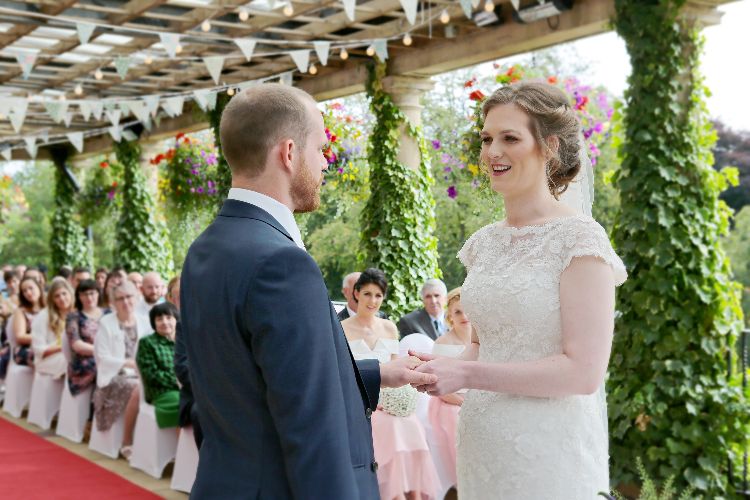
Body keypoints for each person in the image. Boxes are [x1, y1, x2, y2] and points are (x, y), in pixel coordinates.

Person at [180, 83, 435, 498]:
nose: (327, 162)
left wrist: (377, 374)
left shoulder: (205, 248)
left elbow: (246, 380)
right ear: (288, 153)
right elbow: (312, 427)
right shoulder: (282, 263)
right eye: (320, 148)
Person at [411, 82, 627, 498]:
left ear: (547, 147)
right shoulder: (484, 244)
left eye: (510, 138)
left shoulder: (580, 240)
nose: (492, 151)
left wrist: (466, 372)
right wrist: (435, 367)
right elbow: (482, 347)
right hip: (481, 446)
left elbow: (583, 373)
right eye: (487, 138)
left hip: (546, 453)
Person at [341, 269, 438, 500]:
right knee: (391, 429)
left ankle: (411, 493)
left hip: (392, 402)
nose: (372, 301)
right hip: (362, 402)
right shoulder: (342, 328)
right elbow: (344, 373)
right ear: (356, 294)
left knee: (411, 426)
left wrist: (399, 400)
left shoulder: (389, 327)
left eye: (378, 295)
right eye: (367, 294)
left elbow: (398, 370)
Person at [93, 281, 150, 459]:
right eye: (120, 299)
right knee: (137, 389)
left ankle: (148, 442)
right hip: (114, 376)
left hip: (142, 373)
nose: (126, 302)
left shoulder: (144, 321)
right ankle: (127, 441)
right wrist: (127, 363)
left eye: (129, 297)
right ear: (113, 302)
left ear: (136, 297)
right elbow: (102, 357)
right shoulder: (106, 323)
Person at [427, 288, 472, 494]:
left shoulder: (484, 341)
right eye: (458, 312)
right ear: (450, 317)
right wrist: (465, 402)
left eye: (467, 310)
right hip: (451, 404)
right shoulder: (442, 344)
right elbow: (438, 387)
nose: (464, 316)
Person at [136, 302, 181, 429]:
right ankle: (180, 448)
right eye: (159, 319)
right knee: (185, 405)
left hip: (186, 388)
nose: (164, 322)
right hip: (162, 392)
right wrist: (179, 382)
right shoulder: (147, 343)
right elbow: (152, 375)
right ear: (153, 323)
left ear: (176, 319)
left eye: (168, 317)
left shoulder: (184, 341)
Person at [65, 279, 104, 395]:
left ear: (98, 293)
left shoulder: (109, 313)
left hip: (107, 357)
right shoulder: (73, 317)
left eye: (92, 293)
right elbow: (76, 344)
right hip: (85, 361)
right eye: (84, 294)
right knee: (104, 370)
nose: (89, 297)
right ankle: (96, 409)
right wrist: (101, 351)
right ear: (79, 297)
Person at [31, 277, 74, 379]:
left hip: (70, 354)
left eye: (64, 294)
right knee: (72, 361)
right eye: (57, 296)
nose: (62, 299)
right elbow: (38, 350)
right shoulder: (43, 316)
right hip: (48, 359)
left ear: (70, 294)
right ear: (52, 300)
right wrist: (65, 347)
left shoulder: (76, 313)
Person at [11, 276, 46, 366]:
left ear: (39, 287)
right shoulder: (21, 311)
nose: (28, 293)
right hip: (27, 349)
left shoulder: (50, 306)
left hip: (51, 345)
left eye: (31, 288)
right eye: (24, 291)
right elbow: (20, 337)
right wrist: (45, 338)